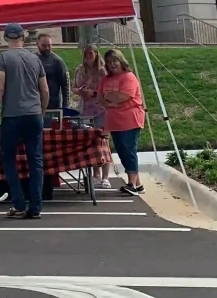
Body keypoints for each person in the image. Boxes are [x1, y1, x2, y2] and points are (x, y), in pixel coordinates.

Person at [0, 24, 49, 219]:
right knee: (35, 160)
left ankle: (19, 203)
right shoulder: (35, 59)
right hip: (34, 114)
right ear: (23, 37)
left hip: (12, 116)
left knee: (9, 160)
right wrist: (42, 111)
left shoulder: (3, 58)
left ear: (6, 38)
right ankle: (36, 206)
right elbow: (44, 90)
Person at [99, 49, 146, 196]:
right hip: (114, 121)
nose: (112, 64)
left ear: (121, 61)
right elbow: (100, 98)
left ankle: (131, 183)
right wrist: (109, 100)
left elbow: (123, 96)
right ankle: (138, 185)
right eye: (109, 61)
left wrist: (110, 98)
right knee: (121, 151)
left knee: (129, 150)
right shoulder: (106, 79)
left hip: (130, 120)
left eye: (115, 61)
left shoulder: (128, 77)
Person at [73, 44, 111, 189]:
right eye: (86, 53)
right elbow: (75, 87)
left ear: (96, 54)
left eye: (92, 53)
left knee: (104, 142)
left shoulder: (103, 71)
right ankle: (96, 174)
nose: (89, 56)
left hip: (101, 109)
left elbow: (108, 89)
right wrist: (81, 91)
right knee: (92, 142)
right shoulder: (80, 69)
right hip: (86, 110)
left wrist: (94, 93)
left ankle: (106, 176)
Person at [36, 34, 71, 112]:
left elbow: (65, 84)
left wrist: (66, 105)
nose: (47, 48)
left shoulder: (57, 61)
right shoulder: (32, 59)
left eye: (49, 45)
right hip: (35, 103)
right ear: (37, 44)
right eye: (44, 46)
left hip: (53, 104)